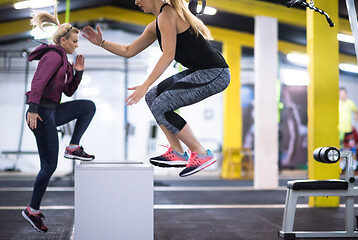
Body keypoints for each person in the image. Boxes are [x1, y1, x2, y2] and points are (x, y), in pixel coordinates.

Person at [82, 0, 230, 177]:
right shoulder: (156, 24)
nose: (136, 2)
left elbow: (168, 55)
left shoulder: (168, 14)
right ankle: (177, 151)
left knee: (161, 103)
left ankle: (201, 153)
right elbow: (129, 50)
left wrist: (145, 84)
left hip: (214, 72)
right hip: (199, 70)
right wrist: (102, 42)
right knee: (153, 97)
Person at [22, 7, 96, 233]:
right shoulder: (54, 56)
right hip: (42, 113)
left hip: (52, 111)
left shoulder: (64, 62)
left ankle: (73, 146)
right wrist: (33, 109)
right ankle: (32, 210)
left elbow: (69, 92)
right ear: (63, 40)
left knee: (87, 107)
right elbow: (38, 82)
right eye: (74, 41)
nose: (77, 45)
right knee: (49, 166)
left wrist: (79, 73)